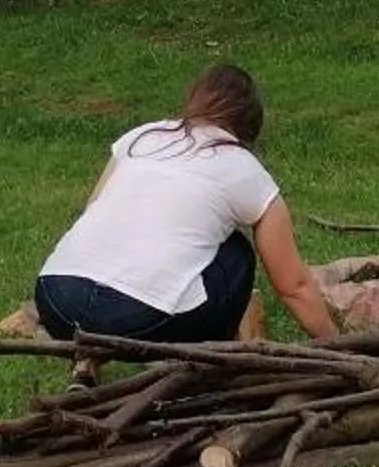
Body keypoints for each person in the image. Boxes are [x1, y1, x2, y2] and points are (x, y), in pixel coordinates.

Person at [33, 65, 343, 346]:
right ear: (249, 125)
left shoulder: (140, 137)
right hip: (140, 320)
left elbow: (94, 207)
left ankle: (86, 359)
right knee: (236, 254)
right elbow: (293, 285)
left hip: (56, 300)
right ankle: (211, 363)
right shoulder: (245, 169)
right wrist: (336, 344)